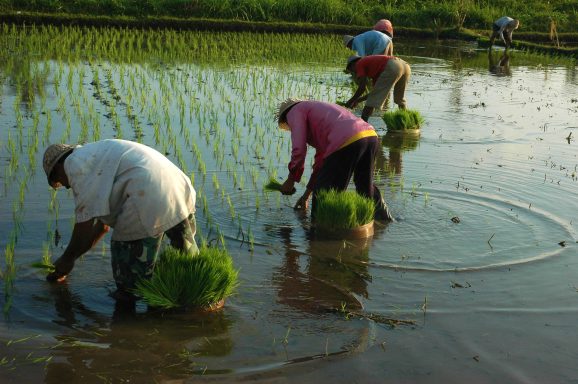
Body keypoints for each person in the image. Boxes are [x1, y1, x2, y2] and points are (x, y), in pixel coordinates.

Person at [42, 139, 198, 301]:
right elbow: (101, 228)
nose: (66, 186)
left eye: (60, 181)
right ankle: (200, 301)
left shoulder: (74, 165)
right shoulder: (96, 156)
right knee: (190, 262)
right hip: (178, 186)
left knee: (127, 287)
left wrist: (67, 259)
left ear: (58, 167)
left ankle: (137, 319)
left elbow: (84, 226)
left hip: (145, 195)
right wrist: (72, 259)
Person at [276, 99, 393, 222]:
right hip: (370, 136)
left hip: (346, 140)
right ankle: (385, 220)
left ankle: (317, 233)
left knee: (324, 195)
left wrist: (291, 179)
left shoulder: (294, 112)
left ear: (285, 118)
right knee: (365, 187)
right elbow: (320, 163)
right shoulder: (318, 113)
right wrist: (306, 196)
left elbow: (299, 149)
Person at [344, 55, 411, 122]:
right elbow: (374, 92)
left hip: (392, 66)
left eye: (351, 70)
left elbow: (362, 87)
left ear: (352, 64)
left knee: (371, 102)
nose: (354, 72)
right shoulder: (374, 67)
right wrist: (358, 100)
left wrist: (351, 101)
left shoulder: (359, 64)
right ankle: (406, 122)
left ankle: (363, 125)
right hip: (405, 65)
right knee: (400, 99)